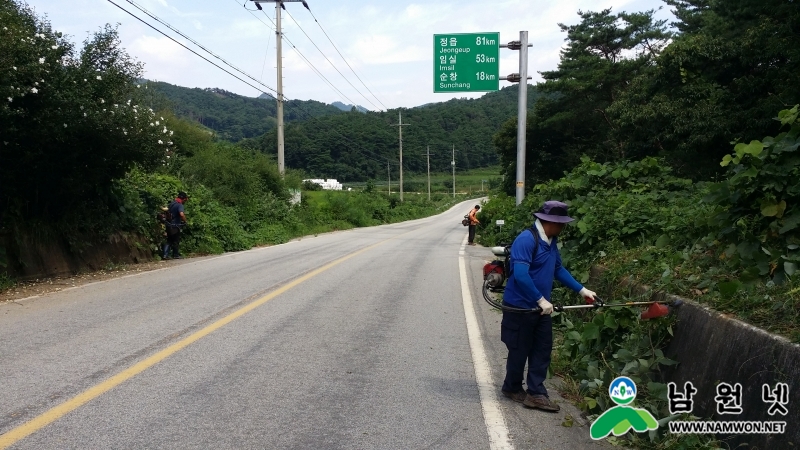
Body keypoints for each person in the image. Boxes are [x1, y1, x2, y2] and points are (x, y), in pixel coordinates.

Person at [500, 200, 598, 412]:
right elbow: (521, 275)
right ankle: (512, 387)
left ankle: (536, 392)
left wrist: (582, 291)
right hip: (521, 307)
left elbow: (558, 269)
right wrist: (540, 299)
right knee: (519, 349)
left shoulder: (551, 241)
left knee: (542, 349)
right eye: (560, 223)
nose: (563, 227)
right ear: (547, 221)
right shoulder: (526, 240)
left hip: (540, 309)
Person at [163, 191, 188, 259]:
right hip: (175, 226)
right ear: (184, 199)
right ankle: (175, 254)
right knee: (176, 240)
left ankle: (165, 255)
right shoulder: (180, 205)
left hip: (168, 225)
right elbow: (181, 214)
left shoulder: (172, 203)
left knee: (169, 240)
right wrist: (185, 221)